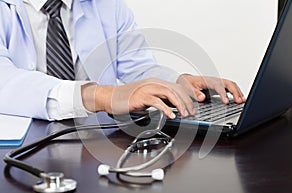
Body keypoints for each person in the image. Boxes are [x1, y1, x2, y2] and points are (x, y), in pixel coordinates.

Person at [0, 0, 245, 121]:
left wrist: (177, 83)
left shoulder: (108, 6)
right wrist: (102, 96)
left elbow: (137, 68)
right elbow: (5, 81)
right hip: (21, 152)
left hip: (94, 144)